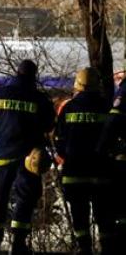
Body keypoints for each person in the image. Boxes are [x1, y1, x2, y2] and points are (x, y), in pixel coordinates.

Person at [0, 59, 55, 255]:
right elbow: (50, 124)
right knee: (25, 198)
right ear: (34, 76)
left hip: (3, 156)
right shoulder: (39, 99)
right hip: (29, 159)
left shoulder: (0, 94)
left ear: (16, 73)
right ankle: (18, 243)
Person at [55, 67, 114, 254]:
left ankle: (84, 248)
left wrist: (67, 157)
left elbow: (58, 139)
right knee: (104, 216)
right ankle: (107, 248)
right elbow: (113, 138)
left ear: (77, 85)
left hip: (74, 173)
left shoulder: (68, 108)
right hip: (101, 173)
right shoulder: (107, 107)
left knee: (79, 216)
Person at [98, 69, 126, 250]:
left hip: (121, 158)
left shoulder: (123, 92)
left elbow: (113, 121)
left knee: (117, 203)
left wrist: (101, 149)